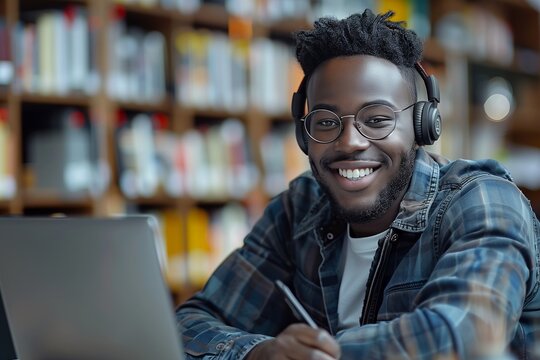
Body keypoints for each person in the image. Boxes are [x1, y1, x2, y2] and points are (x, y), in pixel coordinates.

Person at [176, 9, 540, 359]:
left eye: (377, 119)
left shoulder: (483, 200)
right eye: (325, 122)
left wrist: (316, 355)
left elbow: (465, 336)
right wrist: (259, 353)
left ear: (422, 127)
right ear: (304, 137)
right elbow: (187, 324)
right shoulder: (299, 206)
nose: (350, 142)